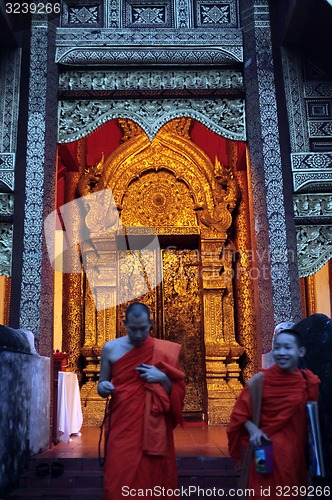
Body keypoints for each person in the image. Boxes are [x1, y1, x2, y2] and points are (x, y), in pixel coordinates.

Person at [98, 302, 185, 499]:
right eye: (133, 329)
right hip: (122, 423)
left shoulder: (163, 351)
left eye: (143, 329)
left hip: (154, 427)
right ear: (124, 324)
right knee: (118, 476)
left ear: (151, 324)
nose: (138, 335)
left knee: (153, 477)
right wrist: (103, 388)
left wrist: (162, 378)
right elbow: (102, 385)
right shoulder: (110, 349)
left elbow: (179, 390)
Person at [227, 327, 320, 498]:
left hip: (295, 459)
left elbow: (314, 423)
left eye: (287, 347)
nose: (281, 352)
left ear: (300, 352)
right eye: (277, 347)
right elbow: (238, 417)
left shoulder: (309, 382)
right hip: (265, 455)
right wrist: (253, 429)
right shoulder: (259, 382)